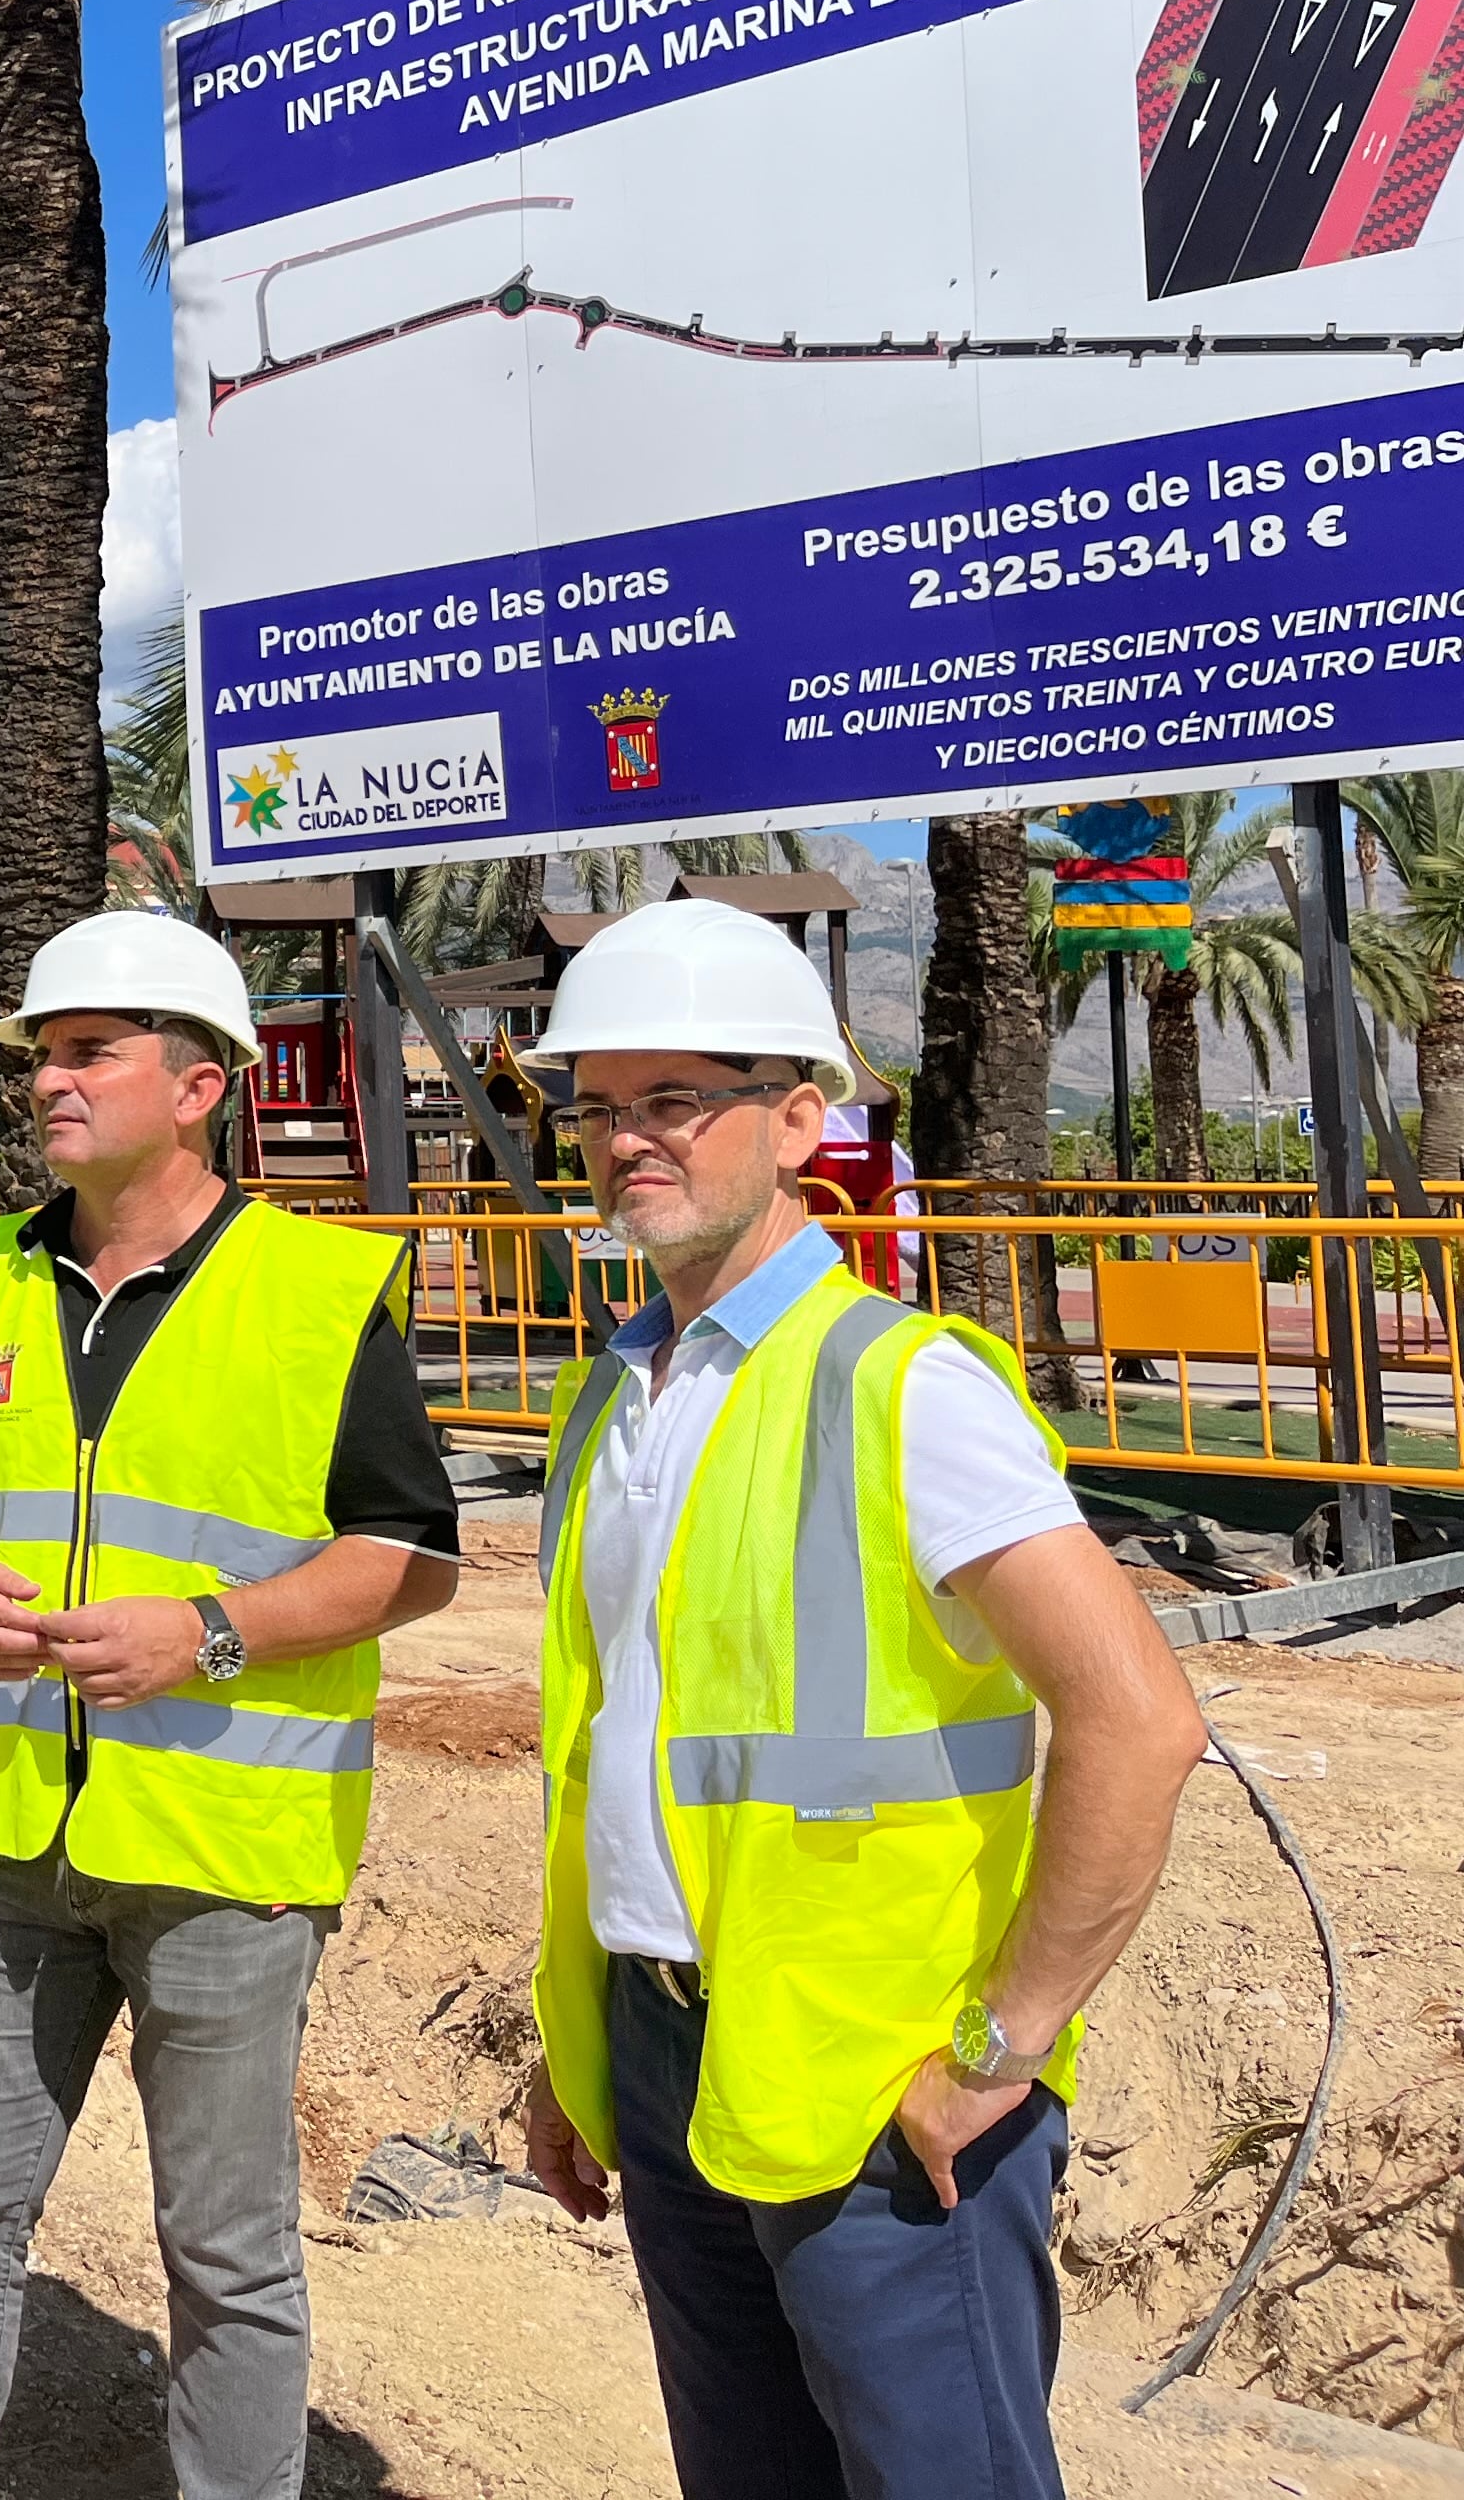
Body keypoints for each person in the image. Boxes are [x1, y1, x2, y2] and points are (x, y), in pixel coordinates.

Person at [516, 898, 1209, 2500]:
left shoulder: (906, 1386)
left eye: (674, 1099)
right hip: (674, 2056)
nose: (626, 1141)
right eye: (599, 1106)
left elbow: (1140, 1721)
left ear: (801, 1120)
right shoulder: (610, 1401)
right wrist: (580, 2044)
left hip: (893, 2102)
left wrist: (998, 2047)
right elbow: (614, 1751)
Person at [0, 909, 460, 2500]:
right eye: (40, 1057)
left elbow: (411, 1557)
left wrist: (207, 1634)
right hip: (10, 1843)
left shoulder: (322, 1288)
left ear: (200, 1087)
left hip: (225, 1854)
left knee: (225, 2254)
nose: (46, 1083)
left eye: (84, 1053)